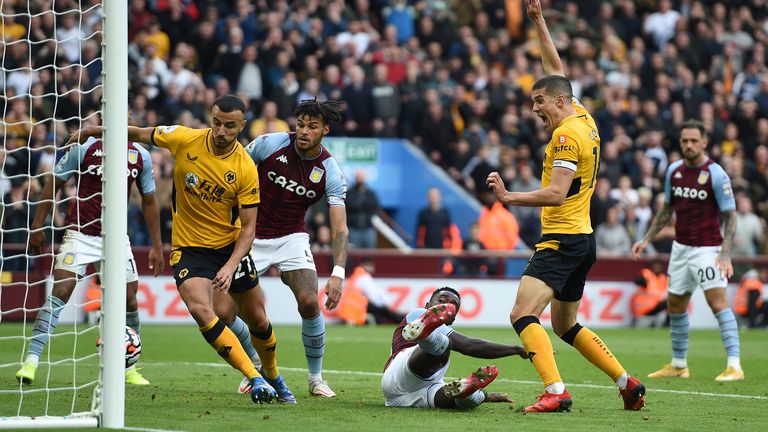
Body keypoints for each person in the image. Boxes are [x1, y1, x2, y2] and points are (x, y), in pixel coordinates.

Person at [70, 95, 293, 404]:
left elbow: (249, 228)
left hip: (229, 249)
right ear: (210, 117)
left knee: (258, 320)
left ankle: (274, 376)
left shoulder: (244, 167)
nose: (221, 131)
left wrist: (230, 266)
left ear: (242, 126)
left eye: (230, 126)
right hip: (189, 248)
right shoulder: (183, 138)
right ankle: (254, 378)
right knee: (203, 311)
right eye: (216, 122)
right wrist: (94, 131)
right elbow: (135, 132)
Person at [484, 0, 646, 412]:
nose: (535, 108)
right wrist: (539, 22)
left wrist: (509, 197)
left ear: (558, 102)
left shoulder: (564, 138)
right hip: (583, 239)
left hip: (561, 239)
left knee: (522, 315)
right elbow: (556, 72)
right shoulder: (583, 117)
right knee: (565, 324)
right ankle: (627, 382)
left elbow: (556, 193)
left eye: (539, 101)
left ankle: (556, 391)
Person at [16, 122, 164, 387]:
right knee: (60, 291)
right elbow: (53, 185)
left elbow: (150, 201)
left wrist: (157, 245)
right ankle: (32, 361)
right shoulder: (84, 148)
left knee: (129, 300)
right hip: (81, 234)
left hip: (117, 238)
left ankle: (129, 368)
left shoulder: (140, 155)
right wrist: (37, 226)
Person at [240, 98, 349, 398]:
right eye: (300, 125)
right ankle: (253, 368)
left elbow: (340, 228)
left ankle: (315, 379)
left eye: (312, 127)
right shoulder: (269, 144)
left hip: (291, 237)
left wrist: (338, 274)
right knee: (224, 310)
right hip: (248, 235)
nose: (303, 131)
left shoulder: (330, 170)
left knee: (309, 302)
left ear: (324, 130)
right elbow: (232, 174)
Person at [632, 119, 743, 382]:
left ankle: (734, 365)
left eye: (694, 140)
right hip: (680, 248)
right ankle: (679, 364)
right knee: (676, 304)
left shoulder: (716, 174)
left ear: (704, 142)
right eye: (685, 141)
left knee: (718, 304)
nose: (689, 145)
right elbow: (667, 209)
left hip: (707, 249)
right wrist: (647, 238)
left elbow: (731, 216)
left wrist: (724, 254)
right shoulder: (674, 171)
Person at [381, 286, 528, 409]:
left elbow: (470, 346)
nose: (447, 306)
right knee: (445, 344)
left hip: (402, 395)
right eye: (442, 302)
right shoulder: (417, 313)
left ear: (452, 318)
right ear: (427, 306)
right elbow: (469, 346)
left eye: (452, 306)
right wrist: (516, 349)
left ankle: (468, 393)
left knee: (464, 400)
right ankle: (426, 335)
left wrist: (487, 396)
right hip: (400, 371)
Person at [338, 257, 404, 325]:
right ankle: (403, 321)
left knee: (380, 314)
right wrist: (386, 305)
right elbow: (373, 295)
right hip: (358, 306)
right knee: (384, 310)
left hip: (350, 308)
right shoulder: (364, 277)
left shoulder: (356, 275)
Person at [346, 169, 380, 248]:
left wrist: (359, 204)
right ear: (355, 178)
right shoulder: (350, 192)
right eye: (358, 177)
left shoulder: (371, 193)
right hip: (353, 229)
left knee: (370, 255)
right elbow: (350, 205)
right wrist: (363, 204)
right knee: (355, 255)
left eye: (361, 177)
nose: (359, 179)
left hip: (368, 228)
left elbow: (374, 205)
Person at [630, 259, 669, 327]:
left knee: (673, 302)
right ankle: (666, 325)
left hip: (654, 305)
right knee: (670, 302)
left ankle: (667, 324)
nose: (657, 268)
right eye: (655, 266)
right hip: (643, 305)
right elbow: (637, 280)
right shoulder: (646, 273)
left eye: (659, 266)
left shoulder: (662, 277)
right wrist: (644, 282)